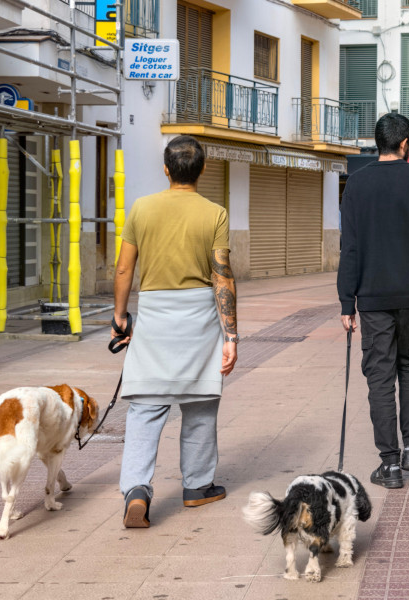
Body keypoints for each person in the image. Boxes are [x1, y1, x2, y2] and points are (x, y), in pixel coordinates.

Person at [111, 135, 239, 527]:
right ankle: (198, 487)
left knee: (145, 409)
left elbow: (123, 269)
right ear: (202, 171)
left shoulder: (141, 208)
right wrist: (231, 335)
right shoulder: (214, 213)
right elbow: (222, 276)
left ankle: (136, 489)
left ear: (166, 169)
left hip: (153, 316)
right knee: (200, 405)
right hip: (198, 320)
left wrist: (120, 316)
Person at [337, 113, 409, 489]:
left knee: (380, 376)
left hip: (372, 299)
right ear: (404, 144)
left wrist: (345, 303)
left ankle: (389, 464)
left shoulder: (357, 184)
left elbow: (348, 247)